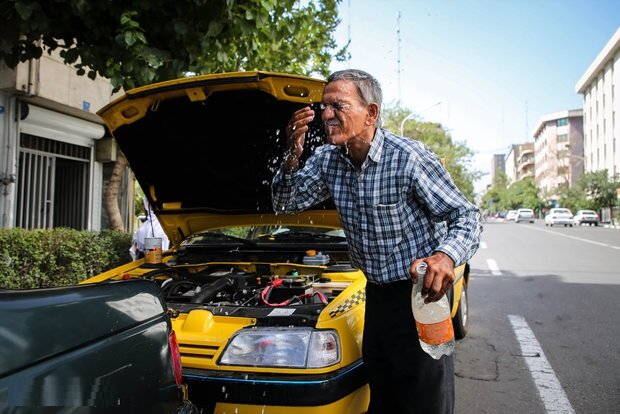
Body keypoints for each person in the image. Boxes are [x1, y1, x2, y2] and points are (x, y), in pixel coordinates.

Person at [271, 69, 482, 414]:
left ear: (370, 113)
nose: (326, 115)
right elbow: (285, 203)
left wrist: (445, 256)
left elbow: (467, 216)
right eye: (324, 107)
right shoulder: (327, 160)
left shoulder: (409, 158)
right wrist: (292, 155)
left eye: (337, 105)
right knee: (383, 399)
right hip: (376, 297)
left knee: (427, 401)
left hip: (421, 299)